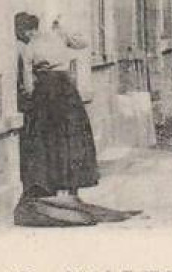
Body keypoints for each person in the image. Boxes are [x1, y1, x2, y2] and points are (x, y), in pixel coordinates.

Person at [13, 13, 135, 227]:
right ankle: (72, 189)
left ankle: (52, 185)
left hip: (45, 94)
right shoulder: (58, 37)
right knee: (72, 138)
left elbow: (28, 85)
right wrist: (63, 28)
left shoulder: (29, 48)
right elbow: (83, 43)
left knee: (49, 140)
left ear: (25, 32)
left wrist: (30, 98)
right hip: (67, 90)